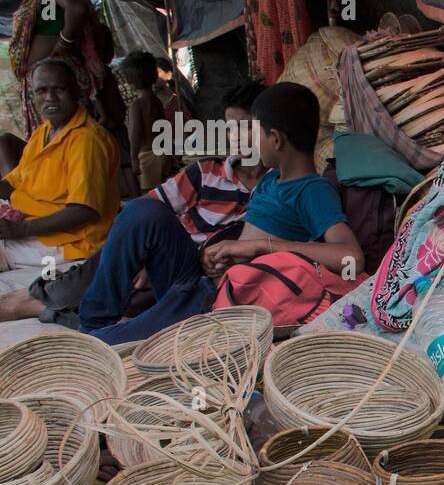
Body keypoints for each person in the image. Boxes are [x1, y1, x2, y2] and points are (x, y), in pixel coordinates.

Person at [73, 83, 267, 338]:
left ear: (268, 129)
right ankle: (93, 322)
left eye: (246, 127)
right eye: (231, 128)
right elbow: (144, 215)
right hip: (180, 269)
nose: (237, 137)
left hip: (219, 284)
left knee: (121, 337)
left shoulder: (278, 185)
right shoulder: (206, 172)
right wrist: (143, 255)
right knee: (140, 210)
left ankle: (99, 337)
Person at [200, 81, 364, 284]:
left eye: (256, 131)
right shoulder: (270, 179)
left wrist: (262, 246)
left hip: (247, 298)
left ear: (276, 139)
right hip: (222, 284)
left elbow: (352, 259)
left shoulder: (311, 191)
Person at [0, 59, 118, 321]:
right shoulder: (43, 133)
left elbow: (84, 211)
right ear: (32, 96)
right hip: (34, 232)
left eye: (59, 89)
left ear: (76, 92)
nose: (50, 97)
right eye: (42, 91)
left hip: (70, 243)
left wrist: (20, 230)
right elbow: (14, 181)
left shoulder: (87, 140)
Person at [6, 0, 125, 147]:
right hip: (47, 77)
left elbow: (76, 8)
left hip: (57, 77)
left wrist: (65, 43)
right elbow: (53, 20)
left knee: (68, 142)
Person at [120, 51, 168, 193]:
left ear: (129, 80)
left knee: (150, 194)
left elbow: (136, 133)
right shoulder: (157, 101)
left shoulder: (137, 105)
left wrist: (133, 157)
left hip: (146, 155)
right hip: (162, 151)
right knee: (163, 192)